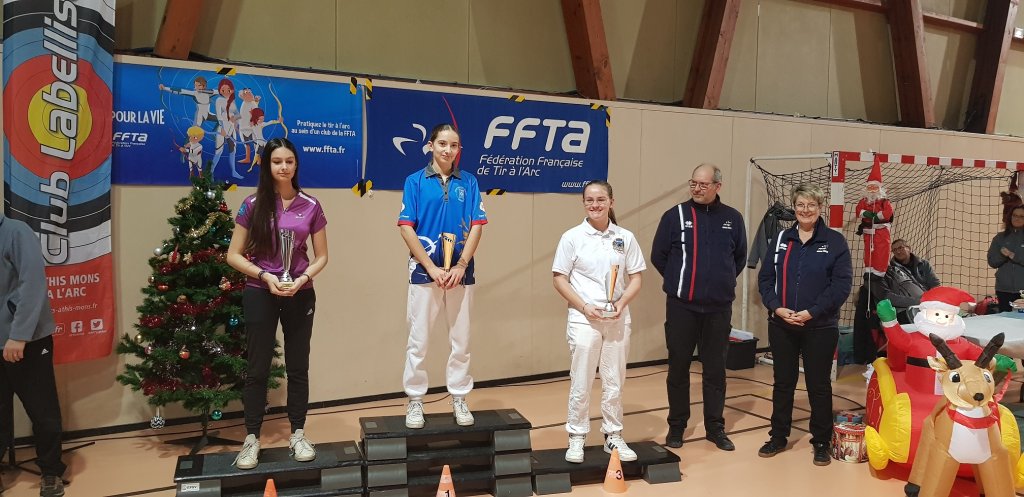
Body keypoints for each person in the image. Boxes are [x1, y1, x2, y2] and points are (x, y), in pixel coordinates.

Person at [226, 137, 329, 470]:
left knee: (298, 366)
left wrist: (301, 279)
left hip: (300, 291)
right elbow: (233, 255)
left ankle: (298, 434)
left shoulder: (311, 205)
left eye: (289, 161)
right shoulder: (252, 204)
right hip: (260, 290)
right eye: (277, 162)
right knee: (257, 368)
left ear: (296, 164)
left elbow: (322, 256)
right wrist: (265, 276)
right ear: (266, 165)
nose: (284, 167)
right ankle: (251, 439)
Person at [650, 163, 746, 451]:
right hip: (682, 308)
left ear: (718, 186)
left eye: (703, 184)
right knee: (678, 367)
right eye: (693, 183)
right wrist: (680, 282)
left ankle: (715, 427)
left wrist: (719, 282)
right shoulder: (675, 216)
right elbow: (658, 256)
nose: (697, 188)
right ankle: (677, 426)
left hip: (718, 309)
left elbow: (739, 258)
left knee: (715, 370)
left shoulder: (732, 218)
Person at [398, 124, 487, 429]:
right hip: (425, 273)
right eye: (443, 144)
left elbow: (477, 225)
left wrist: (461, 265)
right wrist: (431, 268)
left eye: (454, 145)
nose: (448, 150)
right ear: (431, 145)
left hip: (461, 273)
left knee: (461, 340)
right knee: (418, 341)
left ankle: (459, 397)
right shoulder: (414, 181)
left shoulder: (469, 182)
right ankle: (415, 400)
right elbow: (406, 227)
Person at [757, 183, 852, 466]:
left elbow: (841, 286)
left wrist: (812, 312)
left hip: (820, 327)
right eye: (800, 205)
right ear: (794, 207)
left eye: (811, 205)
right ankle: (778, 436)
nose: (805, 210)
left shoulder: (835, 242)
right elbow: (765, 279)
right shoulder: (781, 238)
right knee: (783, 383)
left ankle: (821, 441)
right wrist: (776, 307)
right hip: (782, 324)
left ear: (820, 208)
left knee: (818, 385)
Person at [552, 180, 645, 463]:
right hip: (583, 318)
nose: (595, 205)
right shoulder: (571, 237)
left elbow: (636, 277)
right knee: (581, 379)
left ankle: (613, 434)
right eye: (590, 200)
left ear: (611, 202)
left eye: (601, 199)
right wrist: (584, 306)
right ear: (583, 203)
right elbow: (559, 278)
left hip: (617, 318)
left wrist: (621, 303)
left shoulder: (625, 237)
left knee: (614, 379)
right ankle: (577, 436)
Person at [0, 215, 66, 496]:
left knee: (43, 411)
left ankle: (51, 472)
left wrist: (19, 335)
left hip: (26, 340)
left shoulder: (16, 232)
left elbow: (33, 284)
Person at [855, 157, 893, 279]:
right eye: (870, 188)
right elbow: (858, 211)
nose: (872, 191)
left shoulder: (884, 201)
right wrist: (867, 214)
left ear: (879, 189)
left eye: (874, 188)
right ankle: (869, 270)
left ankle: (880, 271)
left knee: (882, 250)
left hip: (881, 231)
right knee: (868, 252)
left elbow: (888, 213)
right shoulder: (863, 201)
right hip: (868, 231)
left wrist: (876, 216)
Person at [987, 204, 1024, 312]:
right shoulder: (999, 238)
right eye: (1015, 215)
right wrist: (1003, 255)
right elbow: (992, 262)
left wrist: (1013, 256)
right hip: (1003, 290)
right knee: (1005, 318)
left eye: (1022, 216)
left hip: (1023, 291)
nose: (1017, 218)